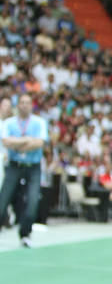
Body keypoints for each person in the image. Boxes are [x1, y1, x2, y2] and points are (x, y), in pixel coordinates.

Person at [0, 94, 49, 247]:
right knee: (3, 199)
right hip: (14, 166)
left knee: (33, 201)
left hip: (33, 167)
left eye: (27, 102)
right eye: (22, 102)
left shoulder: (39, 122)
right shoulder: (9, 123)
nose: (24, 105)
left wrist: (18, 144)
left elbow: (40, 142)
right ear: (18, 105)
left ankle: (25, 234)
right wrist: (27, 140)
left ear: (31, 105)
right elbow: (6, 141)